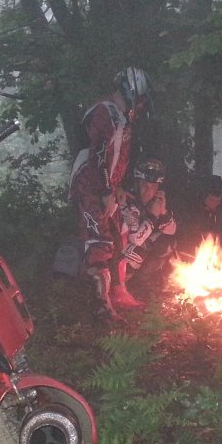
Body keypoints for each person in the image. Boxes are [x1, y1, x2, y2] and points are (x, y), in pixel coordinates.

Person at [69, 66, 152, 322]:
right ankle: (101, 308)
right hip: (91, 187)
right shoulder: (105, 112)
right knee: (100, 244)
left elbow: (116, 159)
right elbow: (99, 154)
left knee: (117, 239)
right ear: (130, 91)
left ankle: (117, 293)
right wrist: (106, 190)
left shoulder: (120, 117)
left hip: (107, 187)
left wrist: (117, 187)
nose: (140, 106)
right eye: (139, 99)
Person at [117, 157, 178, 290]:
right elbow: (135, 239)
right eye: (144, 185)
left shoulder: (155, 200)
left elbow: (172, 231)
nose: (148, 191)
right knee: (137, 252)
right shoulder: (127, 199)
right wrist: (153, 216)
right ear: (137, 183)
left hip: (133, 244)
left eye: (153, 187)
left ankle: (142, 281)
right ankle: (120, 285)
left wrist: (163, 211)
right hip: (117, 249)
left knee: (168, 243)